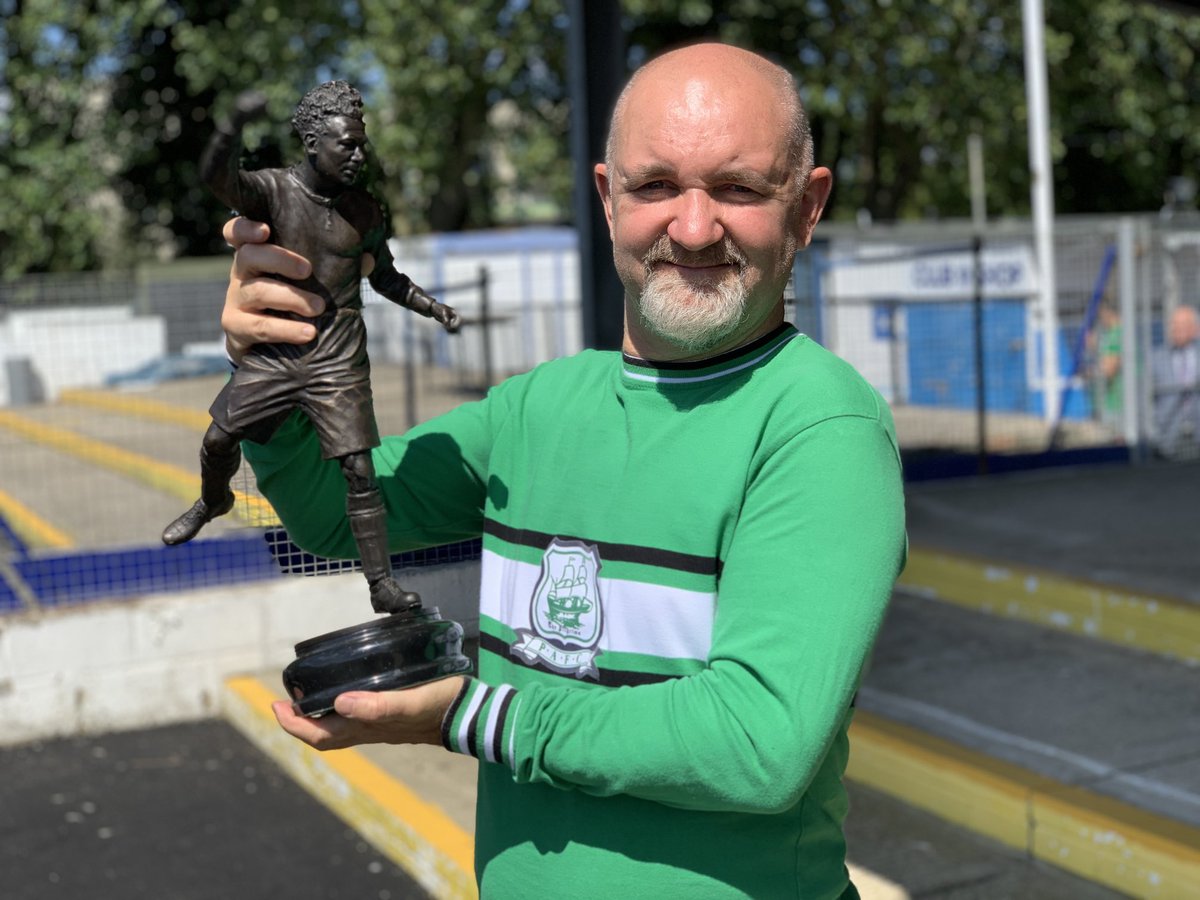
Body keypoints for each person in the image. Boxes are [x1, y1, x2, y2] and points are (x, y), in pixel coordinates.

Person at [220, 43, 906, 899]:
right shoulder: (538, 407)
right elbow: (332, 515)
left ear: (806, 209)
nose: (693, 227)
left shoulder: (819, 424)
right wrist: (273, 359)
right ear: (607, 198)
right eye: (655, 186)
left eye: (736, 188)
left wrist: (469, 714)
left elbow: (757, 742)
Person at [161, 80, 461, 614]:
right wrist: (232, 123)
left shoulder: (364, 211)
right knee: (217, 439)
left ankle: (380, 584)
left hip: (338, 357)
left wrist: (431, 306)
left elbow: (387, 278)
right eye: (346, 144)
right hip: (279, 352)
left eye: (362, 144)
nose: (358, 154)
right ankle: (214, 498)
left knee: (359, 471)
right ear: (312, 143)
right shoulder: (272, 193)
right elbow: (215, 177)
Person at [1152, 305, 1200, 459]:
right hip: (1167, 437)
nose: (1176, 329)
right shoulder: (1156, 357)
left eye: (1182, 325)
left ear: (1195, 328)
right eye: (1174, 324)